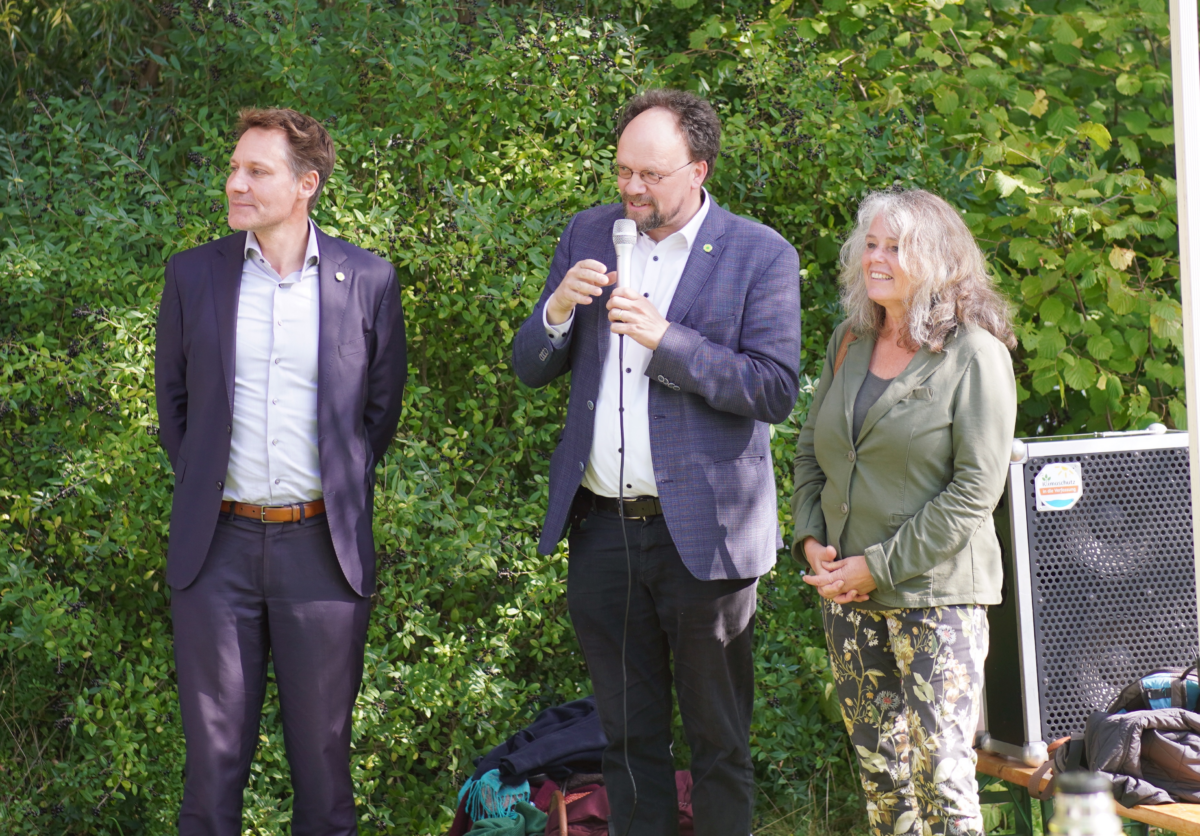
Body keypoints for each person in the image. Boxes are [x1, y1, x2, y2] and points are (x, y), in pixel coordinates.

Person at [512, 88, 801, 836]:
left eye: (651, 174)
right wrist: (555, 314)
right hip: (604, 530)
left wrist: (666, 340)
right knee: (628, 742)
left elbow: (772, 388)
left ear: (698, 169)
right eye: (622, 172)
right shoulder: (588, 232)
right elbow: (530, 366)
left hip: (706, 537)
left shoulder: (758, 253)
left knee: (718, 743)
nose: (632, 188)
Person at [154, 107, 406, 836]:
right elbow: (176, 411)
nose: (234, 182)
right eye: (234, 168)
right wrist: (210, 485)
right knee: (211, 771)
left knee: (325, 773)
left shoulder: (368, 279)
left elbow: (376, 417)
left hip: (323, 554)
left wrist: (328, 491)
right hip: (216, 551)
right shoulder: (192, 276)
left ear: (306, 185)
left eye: (255, 171)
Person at [792, 188, 1017, 836]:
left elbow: (976, 491)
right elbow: (813, 452)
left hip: (937, 597)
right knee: (883, 784)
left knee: (942, 780)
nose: (877, 259)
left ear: (939, 259)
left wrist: (879, 567)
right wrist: (813, 538)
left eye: (896, 246)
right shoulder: (849, 340)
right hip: (848, 600)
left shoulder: (975, 355)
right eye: (871, 244)